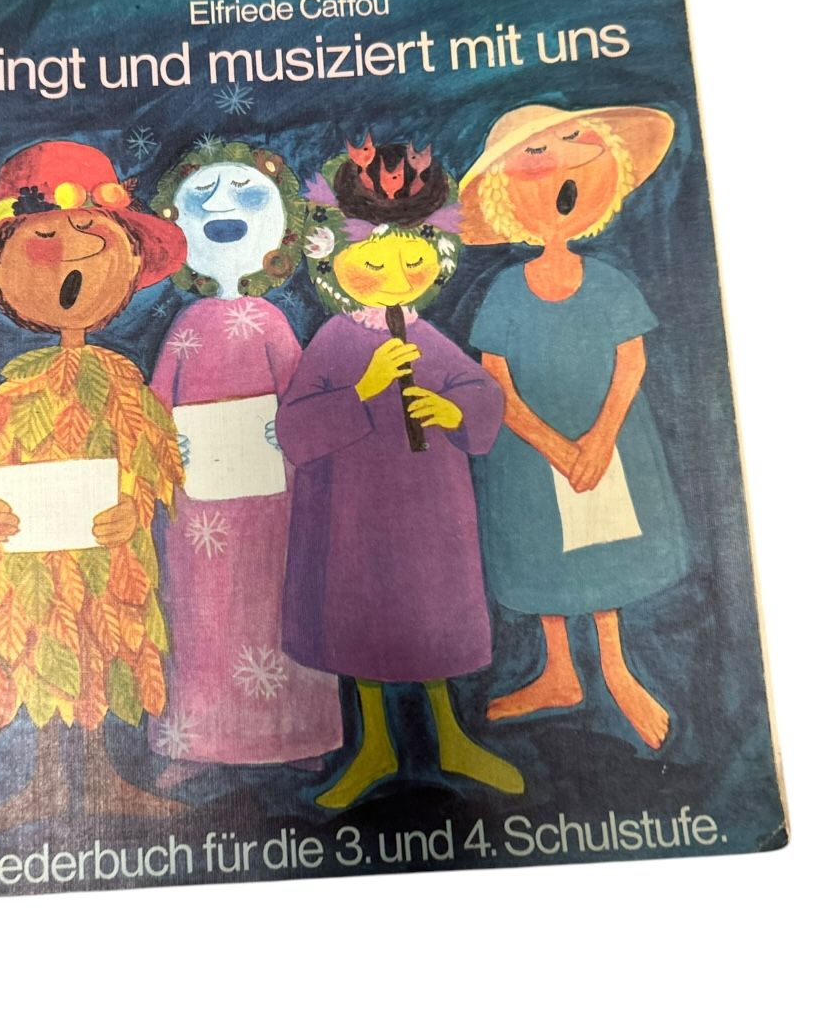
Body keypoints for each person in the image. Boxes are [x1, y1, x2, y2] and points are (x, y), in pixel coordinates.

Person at [0, 139, 187, 835]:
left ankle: (105, 777)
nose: (68, 255)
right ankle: (46, 782)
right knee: (40, 652)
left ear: (127, 260)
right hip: (34, 564)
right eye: (42, 239)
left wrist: (134, 505)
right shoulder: (16, 391)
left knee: (106, 653)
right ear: (1, 273)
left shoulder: (122, 383)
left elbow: (155, 456)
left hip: (109, 558)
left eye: (87, 234)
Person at [278, 138, 521, 810]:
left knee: (431, 617)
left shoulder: (427, 336)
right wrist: (362, 391)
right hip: (353, 516)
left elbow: (481, 397)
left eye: (412, 260)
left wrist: (451, 408)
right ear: (336, 262)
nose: (393, 274)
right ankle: (376, 748)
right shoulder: (336, 340)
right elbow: (295, 430)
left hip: (431, 513)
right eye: (374, 261)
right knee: (366, 622)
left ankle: (451, 739)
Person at [459, 105, 690, 750]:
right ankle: (559, 671)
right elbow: (497, 384)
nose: (557, 177)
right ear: (505, 198)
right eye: (535, 163)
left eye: (572, 154)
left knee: (606, 549)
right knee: (546, 554)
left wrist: (601, 439)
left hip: (609, 446)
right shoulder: (506, 292)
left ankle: (616, 670)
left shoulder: (610, 284)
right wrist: (555, 447)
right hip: (533, 455)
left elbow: (631, 362)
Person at [146, 139, 342, 775]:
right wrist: (167, 447)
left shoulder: (271, 322)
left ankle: (295, 739)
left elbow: (300, 402)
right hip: (197, 504)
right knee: (200, 615)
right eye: (202, 198)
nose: (221, 210)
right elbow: (158, 406)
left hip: (273, 499)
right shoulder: (187, 325)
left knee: (277, 604)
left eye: (244, 197)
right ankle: (198, 741)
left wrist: (289, 439)